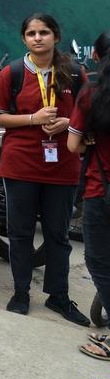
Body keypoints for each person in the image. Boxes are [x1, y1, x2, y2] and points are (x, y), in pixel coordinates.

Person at [0, 13, 89, 325]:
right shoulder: (13, 73)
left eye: (44, 32)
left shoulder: (74, 72)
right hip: (20, 164)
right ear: (24, 39)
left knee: (58, 235)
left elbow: (87, 115)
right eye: (31, 33)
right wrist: (32, 119)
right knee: (19, 234)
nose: (37, 38)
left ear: (55, 36)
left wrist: (68, 123)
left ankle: (58, 297)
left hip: (63, 164)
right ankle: (21, 292)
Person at [70, 32, 110, 359]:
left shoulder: (92, 94)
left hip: (102, 190)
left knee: (100, 261)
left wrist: (92, 143)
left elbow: (73, 145)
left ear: (95, 56)